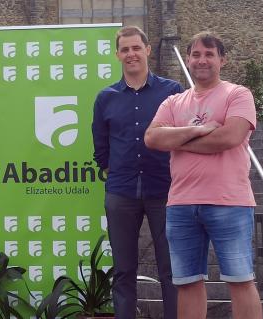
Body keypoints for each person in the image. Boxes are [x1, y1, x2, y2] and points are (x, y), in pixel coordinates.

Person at [144, 31, 262, 319]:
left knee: (240, 280)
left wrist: (178, 139)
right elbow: (152, 138)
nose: (202, 60)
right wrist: (198, 129)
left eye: (209, 54)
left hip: (229, 202)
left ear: (222, 59)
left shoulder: (238, 94)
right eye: (196, 54)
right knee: (186, 283)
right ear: (188, 59)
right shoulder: (173, 102)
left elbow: (229, 137)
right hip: (181, 204)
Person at [91, 26, 181, 319]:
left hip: (166, 190)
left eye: (136, 48)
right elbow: (100, 147)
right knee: (124, 270)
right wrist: (115, 171)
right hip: (121, 192)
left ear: (147, 50)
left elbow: (182, 135)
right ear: (118, 54)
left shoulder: (172, 92)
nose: (131, 54)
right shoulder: (106, 98)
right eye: (125, 49)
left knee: (172, 271)